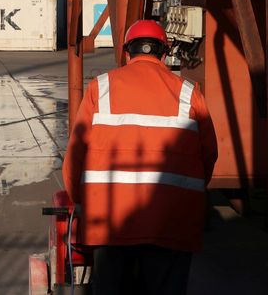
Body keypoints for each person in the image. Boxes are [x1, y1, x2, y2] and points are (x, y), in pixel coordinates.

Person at [62, 19, 218, 295]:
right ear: (164, 52)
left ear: (126, 52)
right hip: (172, 220)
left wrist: (79, 198)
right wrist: (187, 193)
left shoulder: (101, 88)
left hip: (110, 221)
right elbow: (209, 154)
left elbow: (76, 153)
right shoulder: (189, 93)